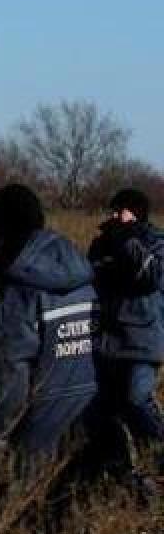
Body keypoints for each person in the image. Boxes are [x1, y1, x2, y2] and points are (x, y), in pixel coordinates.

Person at [0, 184, 98, 464]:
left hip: (35, 433)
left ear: (1, 235)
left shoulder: (15, 293)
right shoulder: (79, 275)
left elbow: (10, 373)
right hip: (87, 415)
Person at [88, 188, 164, 475]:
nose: (113, 216)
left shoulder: (155, 243)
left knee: (137, 399)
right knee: (102, 411)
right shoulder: (101, 244)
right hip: (106, 340)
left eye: (120, 210)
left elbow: (150, 277)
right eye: (112, 210)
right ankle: (120, 471)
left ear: (136, 213)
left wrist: (126, 240)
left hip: (142, 340)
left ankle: (158, 454)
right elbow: (92, 280)